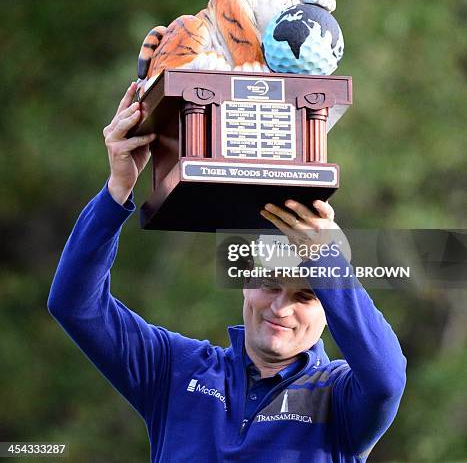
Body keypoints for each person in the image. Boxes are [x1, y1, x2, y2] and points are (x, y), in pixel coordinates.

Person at [48, 83, 406, 462]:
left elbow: (387, 380)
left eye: (305, 296)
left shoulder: (340, 396)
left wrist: (327, 259)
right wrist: (117, 189)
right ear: (246, 285)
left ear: (330, 310)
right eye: (270, 285)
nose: (281, 308)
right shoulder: (174, 369)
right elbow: (75, 305)